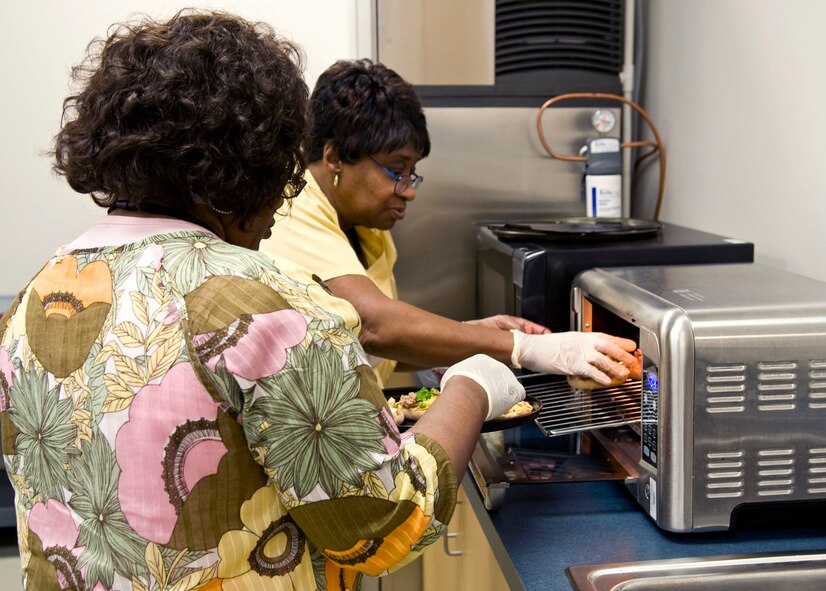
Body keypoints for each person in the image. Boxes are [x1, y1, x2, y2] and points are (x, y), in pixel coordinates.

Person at [0, 12, 527, 591]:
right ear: (248, 162)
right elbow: (384, 524)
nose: (281, 206)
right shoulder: (267, 305)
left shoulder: (36, 295)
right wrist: (473, 385)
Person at [260, 59, 637, 389]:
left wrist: (471, 334)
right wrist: (525, 349)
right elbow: (374, 325)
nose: (408, 192)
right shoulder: (292, 208)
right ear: (336, 156)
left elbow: (375, 346)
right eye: (396, 170)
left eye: (413, 174)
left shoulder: (368, 227)